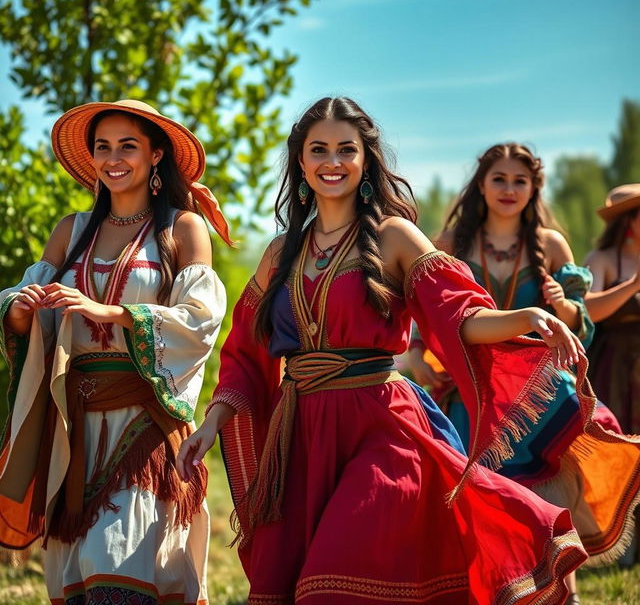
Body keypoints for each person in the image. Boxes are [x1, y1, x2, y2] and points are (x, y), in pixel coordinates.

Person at [178, 97, 589, 605]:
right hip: (302, 436)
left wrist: (524, 318)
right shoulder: (280, 253)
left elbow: (459, 314)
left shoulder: (393, 236)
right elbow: (244, 351)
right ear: (300, 163)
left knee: (333, 580)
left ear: (366, 160)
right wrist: (212, 422)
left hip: (381, 425)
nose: (333, 161)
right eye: (319, 150)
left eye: (346, 150)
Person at [0, 99, 231, 604]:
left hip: (143, 422)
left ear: (155, 156)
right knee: (78, 576)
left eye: (128, 145)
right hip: (74, 429)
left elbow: (201, 319)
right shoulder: (71, 230)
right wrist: (23, 308)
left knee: (118, 566)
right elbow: (24, 316)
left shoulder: (183, 229)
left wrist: (117, 314)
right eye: (102, 146)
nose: (114, 157)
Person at [408, 143, 640, 602]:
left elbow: (583, 327)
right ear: (481, 185)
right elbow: (423, 308)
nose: (509, 189)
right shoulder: (452, 242)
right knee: (479, 506)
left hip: (541, 397)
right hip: (471, 394)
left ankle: (564, 597)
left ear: (534, 188)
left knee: (549, 505)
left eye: (520, 181)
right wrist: (416, 352)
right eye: (499, 179)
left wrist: (564, 306)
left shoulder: (551, 245)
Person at [584, 184, 640, 435]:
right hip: (614, 368)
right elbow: (588, 311)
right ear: (628, 220)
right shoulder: (601, 259)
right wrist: (633, 286)